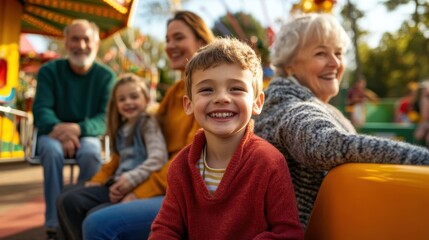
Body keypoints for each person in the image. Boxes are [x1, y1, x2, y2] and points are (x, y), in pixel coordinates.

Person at [253, 13, 429, 229]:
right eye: (321, 53)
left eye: (338, 53)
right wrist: (422, 158)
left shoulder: (314, 103)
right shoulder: (286, 105)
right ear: (289, 64)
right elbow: (323, 143)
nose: (335, 62)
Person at [150, 37, 304, 239]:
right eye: (206, 89)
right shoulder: (181, 167)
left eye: (236, 88)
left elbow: (288, 233)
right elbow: (165, 229)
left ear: (257, 103)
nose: (221, 98)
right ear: (188, 104)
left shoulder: (270, 162)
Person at [81, 10, 215, 239]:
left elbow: (192, 157)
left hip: (184, 190)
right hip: (161, 180)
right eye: (167, 39)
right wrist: (101, 177)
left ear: (201, 41)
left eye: (179, 38)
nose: (170, 45)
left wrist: (139, 191)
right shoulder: (175, 92)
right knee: (75, 202)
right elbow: (136, 140)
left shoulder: (207, 92)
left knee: (96, 223)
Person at [32, 19, 116, 239]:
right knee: (52, 151)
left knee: (90, 153)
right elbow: (41, 109)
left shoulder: (106, 76)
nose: (81, 45)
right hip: (52, 134)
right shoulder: (49, 71)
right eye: (75, 39)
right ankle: (53, 223)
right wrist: (62, 130)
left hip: (86, 135)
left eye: (86, 39)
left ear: (96, 43)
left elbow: (105, 118)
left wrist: (77, 130)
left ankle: (81, 214)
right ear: (66, 42)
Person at [56, 74, 168, 240]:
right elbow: (117, 160)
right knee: (67, 191)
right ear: (116, 104)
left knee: (71, 201)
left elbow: (158, 157)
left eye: (134, 96)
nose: (128, 102)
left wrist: (131, 178)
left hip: (133, 184)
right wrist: (99, 179)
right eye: (122, 99)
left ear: (146, 98)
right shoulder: (124, 127)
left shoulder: (146, 123)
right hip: (117, 182)